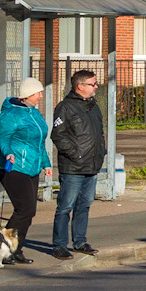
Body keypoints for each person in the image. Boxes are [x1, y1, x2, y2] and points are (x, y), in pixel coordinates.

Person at [49, 69, 105, 260]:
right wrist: (76, 155)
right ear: (80, 86)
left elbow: (99, 134)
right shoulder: (65, 107)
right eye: (92, 83)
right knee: (65, 206)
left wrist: (101, 153)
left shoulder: (93, 106)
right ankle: (59, 245)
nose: (96, 86)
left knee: (85, 205)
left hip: (92, 166)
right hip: (73, 167)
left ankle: (79, 241)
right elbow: (58, 135)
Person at [0, 78, 51, 264]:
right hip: (14, 167)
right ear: (28, 94)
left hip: (32, 167)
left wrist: (46, 163)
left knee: (29, 211)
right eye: (38, 93)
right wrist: (9, 153)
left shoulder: (34, 113)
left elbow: (39, 142)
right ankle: (2, 248)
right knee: (24, 209)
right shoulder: (11, 114)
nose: (41, 96)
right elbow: (2, 138)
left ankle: (17, 249)